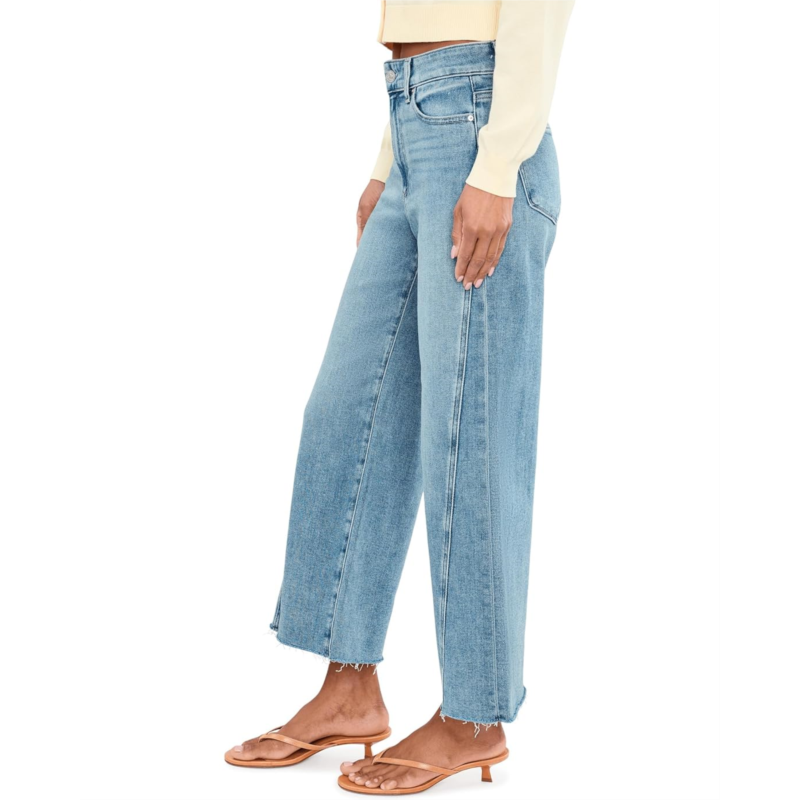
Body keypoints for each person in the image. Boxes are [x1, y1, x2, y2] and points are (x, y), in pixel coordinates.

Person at [225, 0, 575, 794]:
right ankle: (349, 686)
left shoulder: (493, 149)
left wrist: (498, 165)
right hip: (412, 118)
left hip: (481, 127)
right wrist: (390, 159)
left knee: (469, 437)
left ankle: (474, 716)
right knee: (349, 412)